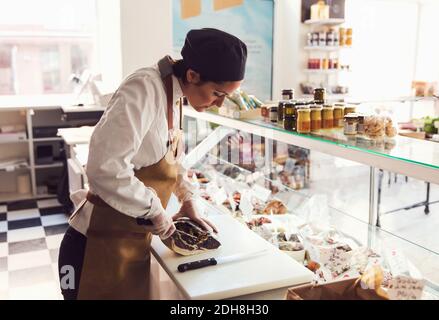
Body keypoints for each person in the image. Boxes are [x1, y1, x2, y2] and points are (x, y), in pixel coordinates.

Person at [58, 28, 247, 300]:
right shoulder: (144, 88)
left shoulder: (177, 94)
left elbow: (171, 159)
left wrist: (188, 198)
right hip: (95, 247)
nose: (218, 104)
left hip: (130, 243)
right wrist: (156, 211)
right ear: (192, 75)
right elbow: (105, 169)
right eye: (217, 93)